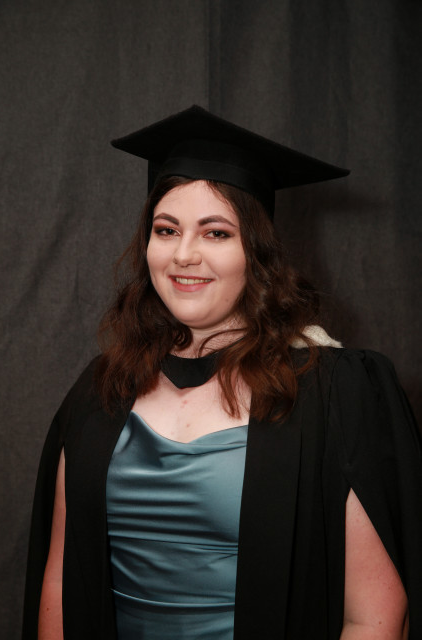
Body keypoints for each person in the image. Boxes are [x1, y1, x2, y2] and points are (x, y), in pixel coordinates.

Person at [22, 106, 422, 640]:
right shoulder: (102, 390)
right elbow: (60, 585)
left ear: (256, 252)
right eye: (166, 230)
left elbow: (375, 616)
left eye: (215, 233)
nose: (184, 255)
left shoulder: (332, 390)